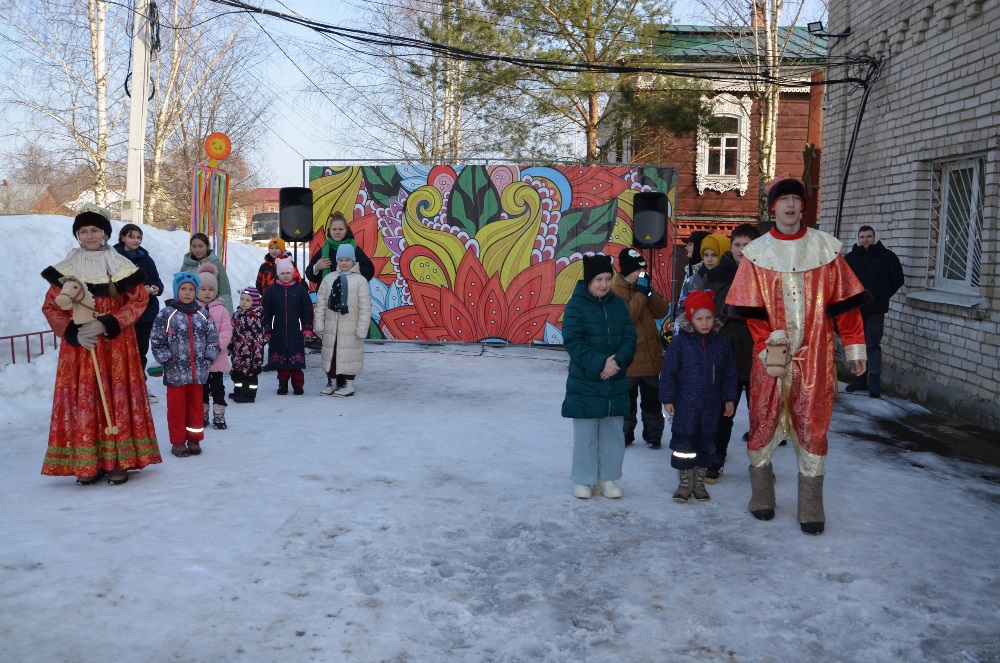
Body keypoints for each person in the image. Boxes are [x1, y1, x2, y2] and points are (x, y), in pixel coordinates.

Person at [725, 174, 869, 534]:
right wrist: (767, 348)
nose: (790, 206)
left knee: (813, 422)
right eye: (783, 200)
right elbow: (751, 310)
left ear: (803, 205)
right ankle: (762, 494)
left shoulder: (827, 250)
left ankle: (810, 504)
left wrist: (854, 347)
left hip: (816, 355)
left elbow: (846, 307)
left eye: (795, 199)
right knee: (763, 419)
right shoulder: (756, 254)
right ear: (772, 206)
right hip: (769, 358)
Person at [40, 207, 161, 485]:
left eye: (95, 230)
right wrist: (72, 332)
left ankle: (118, 461)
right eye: (83, 231)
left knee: (114, 400)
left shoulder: (122, 266)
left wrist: (109, 323)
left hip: (116, 346)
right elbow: (51, 307)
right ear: (78, 236)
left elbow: (139, 301)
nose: (89, 235)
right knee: (87, 400)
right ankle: (89, 463)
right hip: (81, 348)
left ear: (105, 233)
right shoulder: (65, 270)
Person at [561, 254, 636, 500]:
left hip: (614, 381)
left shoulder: (617, 304)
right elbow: (573, 341)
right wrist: (600, 363)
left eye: (607, 278)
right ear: (588, 281)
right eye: (598, 279)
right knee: (586, 436)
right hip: (585, 382)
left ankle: (607, 478)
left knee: (613, 435)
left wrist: (616, 362)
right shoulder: (576, 305)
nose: (603, 284)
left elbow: (629, 337)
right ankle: (584, 479)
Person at [659, 290, 737, 502]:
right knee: (684, 446)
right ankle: (685, 483)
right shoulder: (680, 343)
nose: (705, 323)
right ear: (690, 319)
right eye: (699, 318)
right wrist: (668, 399)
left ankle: (699, 482)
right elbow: (668, 373)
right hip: (686, 406)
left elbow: (730, 373)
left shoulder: (721, 344)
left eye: (709, 318)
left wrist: (729, 398)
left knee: (707, 445)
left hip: (711, 407)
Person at [704, 223, 760, 481]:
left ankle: (761, 466)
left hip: (759, 356)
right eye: (737, 244)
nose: (741, 250)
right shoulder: (717, 275)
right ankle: (717, 457)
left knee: (760, 416)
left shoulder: (765, 274)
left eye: (747, 245)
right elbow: (701, 310)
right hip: (725, 354)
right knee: (723, 411)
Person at [150, 271, 220, 458]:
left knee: (196, 408)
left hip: (198, 373)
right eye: (183, 289)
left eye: (191, 289)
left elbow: (213, 339)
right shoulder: (167, 314)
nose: (187, 293)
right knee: (176, 409)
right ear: (176, 290)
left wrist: (208, 358)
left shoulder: (204, 315)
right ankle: (178, 442)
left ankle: (194, 439)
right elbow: (157, 339)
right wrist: (165, 358)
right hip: (175, 373)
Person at [611, 247, 670, 448]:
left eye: (644, 269)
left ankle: (653, 435)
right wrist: (641, 295)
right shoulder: (616, 292)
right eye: (638, 270)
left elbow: (662, 310)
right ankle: (625, 435)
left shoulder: (642, 288)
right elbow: (625, 319)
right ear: (627, 270)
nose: (642, 273)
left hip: (650, 359)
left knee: (652, 403)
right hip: (630, 360)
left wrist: (649, 291)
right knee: (627, 403)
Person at [844, 225, 905, 398]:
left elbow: (898, 279)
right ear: (858, 238)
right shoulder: (850, 258)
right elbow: (843, 283)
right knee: (858, 346)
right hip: (854, 311)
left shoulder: (886, 257)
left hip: (876, 310)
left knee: (873, 345)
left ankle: (875, 382)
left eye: (869, 236)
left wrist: (883, 296)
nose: (865, 239)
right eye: (862, 236)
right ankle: (859, 379)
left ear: (874, 237)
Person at [113, 223, 164, 403]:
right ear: (123, 238)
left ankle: (140, 386)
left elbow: (157, 279)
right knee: (124, 352)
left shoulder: (146, 258)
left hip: (146, 313)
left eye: (138, 237)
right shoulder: (114, 258)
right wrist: (140, 289)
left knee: (141, 351)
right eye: (132, 236)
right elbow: (115, 285)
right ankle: (122, 388)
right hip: (125, 313)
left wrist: (157, 288)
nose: (136, 240)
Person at [315, 244, 373, 397]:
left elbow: (365, 307)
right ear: (336, 261)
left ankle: (348, 383)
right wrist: (319, 325)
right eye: (341, 259)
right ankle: (331, 381)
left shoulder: (360, 280)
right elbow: (321, 304)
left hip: (351, 328)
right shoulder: (329, 279)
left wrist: (362, 329)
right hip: (331, 326)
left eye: (348, 259)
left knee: (350, 356)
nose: (344, 262)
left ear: (353, 261)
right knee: (331, 355)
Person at [262, 256, 314, 395]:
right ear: (277, 274)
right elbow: (266, 312)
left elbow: (307, 310)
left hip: (295, 331)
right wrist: (267, 330)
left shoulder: (300, 290)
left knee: (296, 362)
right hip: (277, 331)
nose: (285, 276)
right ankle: (282, 384)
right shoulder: (271, 291)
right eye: (282, 273)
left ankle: (298, 385)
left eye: (288, 273)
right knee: (281, 363)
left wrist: (307, 328)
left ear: (293, 273)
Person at [197, 264, 232, 429]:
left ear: (216, 290)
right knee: (201, 389)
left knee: (218, 388)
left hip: (217, 358)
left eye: (211, 289)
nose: (207, 292)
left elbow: (226, 331)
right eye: (203, 289)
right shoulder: (194, 310)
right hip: (199, 359)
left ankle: (219, 415)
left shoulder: (222, 310)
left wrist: (217, 346)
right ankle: (202, 413)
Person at [305, 212, 376, 286]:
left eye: (341, 229)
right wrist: (316, 267)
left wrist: (353, 267)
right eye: (334, 229)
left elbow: (369, 271)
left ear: (346, 230)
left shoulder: (353, 248)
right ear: (330, 231)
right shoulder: (324, 249)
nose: (337, 232)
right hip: (326, 294)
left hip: (350, 294)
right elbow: (310, 276)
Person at [180, 233, 233, 314]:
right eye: (194, 246)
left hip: (213, 311)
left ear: (207, 246)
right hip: (189, 310)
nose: (197, 250)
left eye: (201, 246)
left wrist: (228, 315)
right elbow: (179, 288)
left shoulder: (216, 264)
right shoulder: (187, 265)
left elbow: (224, 290)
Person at [229, 287, 265, 404]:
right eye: (242, 299)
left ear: (254, 302)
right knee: (237, 372)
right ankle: (238, 390)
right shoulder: (236, 315)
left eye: (248, 300)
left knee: (249, 374)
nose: (244, 302)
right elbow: (232, 331)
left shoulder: (255, 318)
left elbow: (259, 338)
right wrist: (230, 346)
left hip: (250, 353)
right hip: (237, 351)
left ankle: (249, 395)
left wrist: (258, 357)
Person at [677, 230, 710, 305]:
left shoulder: (708, 272)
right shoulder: (690, 270)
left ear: (699, 246)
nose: (686, 247)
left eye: (690, 244)